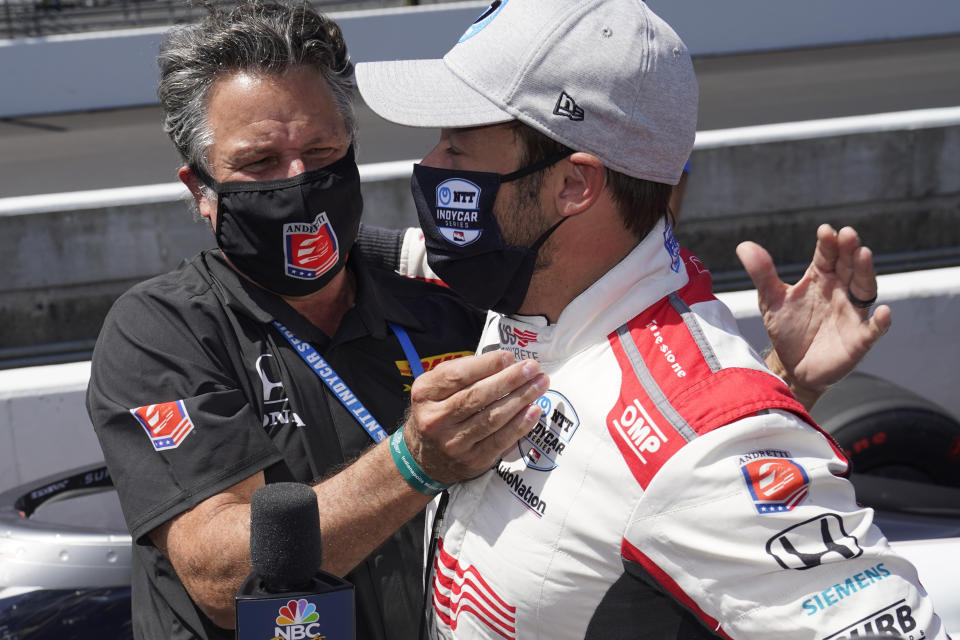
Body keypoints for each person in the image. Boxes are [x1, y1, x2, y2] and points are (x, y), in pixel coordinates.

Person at [86, 2, 890, 639]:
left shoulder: (466, 295)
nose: (298, 184)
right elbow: (222, 580)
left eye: (324, 155)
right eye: (260, 165)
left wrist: (772, 385)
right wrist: (411, 463)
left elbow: (633, 450)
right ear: (200, 188)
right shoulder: (159, 330)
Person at [354, 0, 943, 638]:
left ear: (573, 187)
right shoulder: (533, 292)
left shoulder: (713, 445)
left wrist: (745, 403)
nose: (432, 165)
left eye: (458, 146)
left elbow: (690, 454)